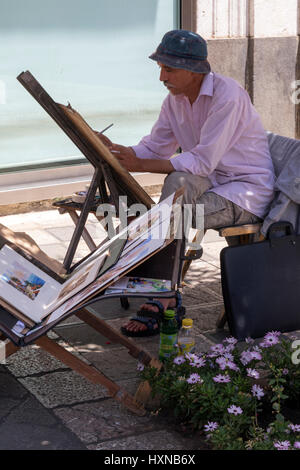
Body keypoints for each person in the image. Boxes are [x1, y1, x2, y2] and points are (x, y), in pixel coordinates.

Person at [97, 29, 275, 337]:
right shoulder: (175, 100)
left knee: (170, 210)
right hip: (210, 183)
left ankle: (163, 295)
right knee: (172, 192)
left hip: (245, 191)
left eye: (169, 69)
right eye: (161, 69)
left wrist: (141, 164)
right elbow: (155, 147)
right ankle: (160, 286)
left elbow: (202, 161)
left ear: (195, 70)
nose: (162, 77)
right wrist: (119, 152)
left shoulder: (228, 96)